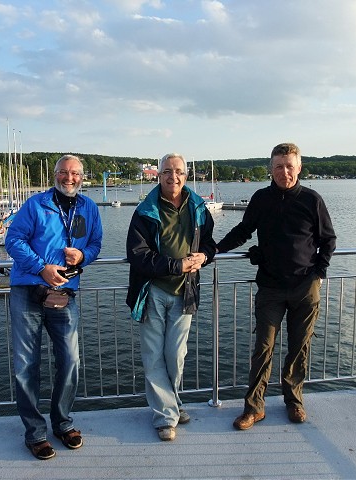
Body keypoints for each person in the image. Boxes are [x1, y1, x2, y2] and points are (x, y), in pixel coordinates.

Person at [216, 143, 336, 429]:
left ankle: (294, 401)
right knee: (263, 348)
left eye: (289, 166)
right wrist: (214, 250)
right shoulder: (261, 199)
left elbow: (328, 239)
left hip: (305, 287)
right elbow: (243, 231)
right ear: (271, 169)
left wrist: (318, 274)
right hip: (270, 287)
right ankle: (254, 408)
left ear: (299, 168)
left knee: (299, 347)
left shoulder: (312, 200)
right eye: (279, 166)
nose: (284, 172)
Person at [5, 154, 103, 460]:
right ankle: (35, 433)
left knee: (70, 361)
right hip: (28, 291)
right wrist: (41, 268)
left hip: (64, 295)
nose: (69, 178)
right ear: (55, 174)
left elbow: (96, 244)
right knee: (26, 366)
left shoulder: (89, 208)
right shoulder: (36, 204)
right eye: (63, 172)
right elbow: (13, 240)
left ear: (82, 177)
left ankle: (62, 423)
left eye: (75, 173)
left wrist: (83, 256)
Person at [126, 153, 216, 441]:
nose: (172, 177)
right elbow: (137, 254)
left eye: (178, 171)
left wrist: (205, 256)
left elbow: (209, 243)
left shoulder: (198, 208)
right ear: (159, 175)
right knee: (153, 356)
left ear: (185, 176)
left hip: (184, 292)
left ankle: (172, 403)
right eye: (167, 171)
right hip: (152, 291)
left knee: (175, 356)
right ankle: (165, 416)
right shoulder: (145, 210)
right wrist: (176, 265)